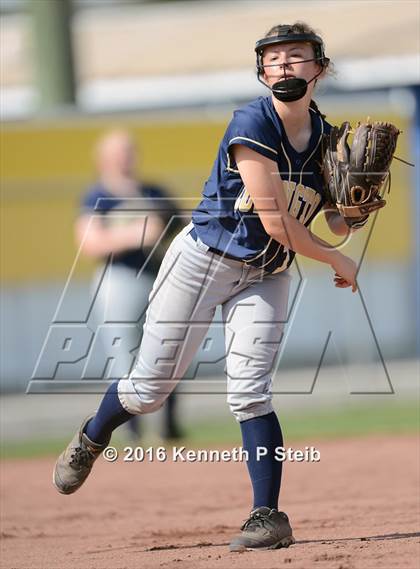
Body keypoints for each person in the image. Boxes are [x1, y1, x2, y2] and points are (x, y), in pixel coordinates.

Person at [54, 23, 359, 552]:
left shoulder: (328, 139)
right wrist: (336, 258)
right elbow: (275, 221)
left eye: (297, 56)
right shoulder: (252, 121)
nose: (285, 66)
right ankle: (92, 435)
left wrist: (354, 207)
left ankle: (268, 517)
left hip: (266, 275)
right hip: (203, 261)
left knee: (250, 390)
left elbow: (334, 219)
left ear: (320, 68)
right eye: (274, 58)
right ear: (262, 70)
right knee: (150, 389)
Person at [76, 129, 183, 441]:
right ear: (103, 158)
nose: (126, 157)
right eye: (119, 152)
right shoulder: (98, 195)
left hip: (159, 276)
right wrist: (136, 233)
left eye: (129, 150)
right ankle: (130, 432)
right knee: (125, 356)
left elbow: (183, 229)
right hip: (119, 279)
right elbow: (90, 242)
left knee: (170, 350)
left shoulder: (153, 192)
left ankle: (169, 428)